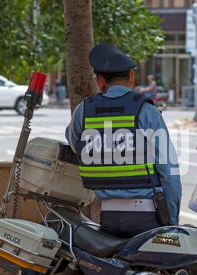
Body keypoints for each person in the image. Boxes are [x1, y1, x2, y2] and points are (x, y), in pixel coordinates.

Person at [65, 44, 181, 238]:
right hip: (147, 217)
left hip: (109, 218)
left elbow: (76, 144)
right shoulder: (146, 111)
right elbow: (168, 170)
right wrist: (172, 218)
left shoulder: (83, 111)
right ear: (131, 77)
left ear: (100, 81)